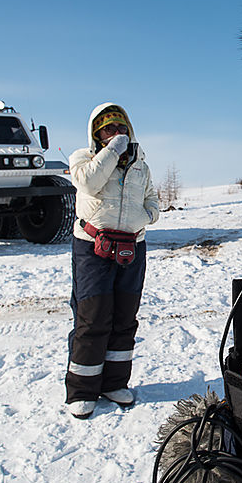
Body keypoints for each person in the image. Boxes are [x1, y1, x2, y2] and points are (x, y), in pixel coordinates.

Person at [65, 103, 159, 419]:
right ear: (97, 134)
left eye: (121, 129)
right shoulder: (83, 158)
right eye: (108, 130)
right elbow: (89, 183)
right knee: (93, 317)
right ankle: (82, 390)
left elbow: (152, 198)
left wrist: (148, 215)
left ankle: (115, 383)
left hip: (132, 247)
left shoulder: (141, 165)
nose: (116, 134)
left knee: (124, 317)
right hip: (92, 248)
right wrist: (111, 151)